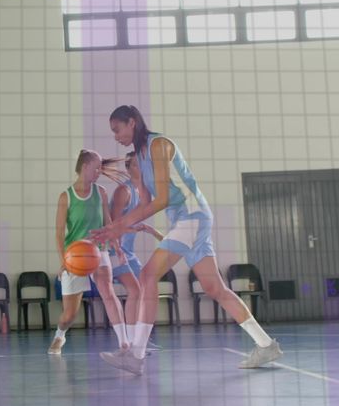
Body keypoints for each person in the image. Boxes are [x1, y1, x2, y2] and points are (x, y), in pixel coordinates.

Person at [92, 105, 281, 375]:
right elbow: (145, 203)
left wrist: (117, 227)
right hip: (187, 222)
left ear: (132, 123)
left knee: (147, 275)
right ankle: (266, 344)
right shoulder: (141, 159)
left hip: (193, 216)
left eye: (117, 129)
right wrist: (116, 228)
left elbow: (162, 200)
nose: (115, 136)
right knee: (215, 288)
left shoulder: (159, 144)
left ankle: (136, 354)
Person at [49, 150, 129, 356]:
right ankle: (60, 335)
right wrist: (63, 261)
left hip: (98, 251)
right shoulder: (66, 196)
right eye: (96, 168)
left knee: (108, 293)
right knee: (69, 315)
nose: (99, 172)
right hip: (75, 255)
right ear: (84, 167)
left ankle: (124, 343)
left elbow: (108, 223)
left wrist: (117, 248)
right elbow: (59, 233)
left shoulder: (100, 192)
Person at [109, 152, 165, 352]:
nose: (140, 168)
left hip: (129, 252)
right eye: (135, 165)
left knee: (143, 290)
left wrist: (152, 231)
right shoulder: (123, 191)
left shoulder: (143, 192)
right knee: (135, 290)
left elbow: (136, 220)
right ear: (128, 168)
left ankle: (138, 340)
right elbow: (114, 225)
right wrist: (121, 243)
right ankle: (131, 342)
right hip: (114, 250)